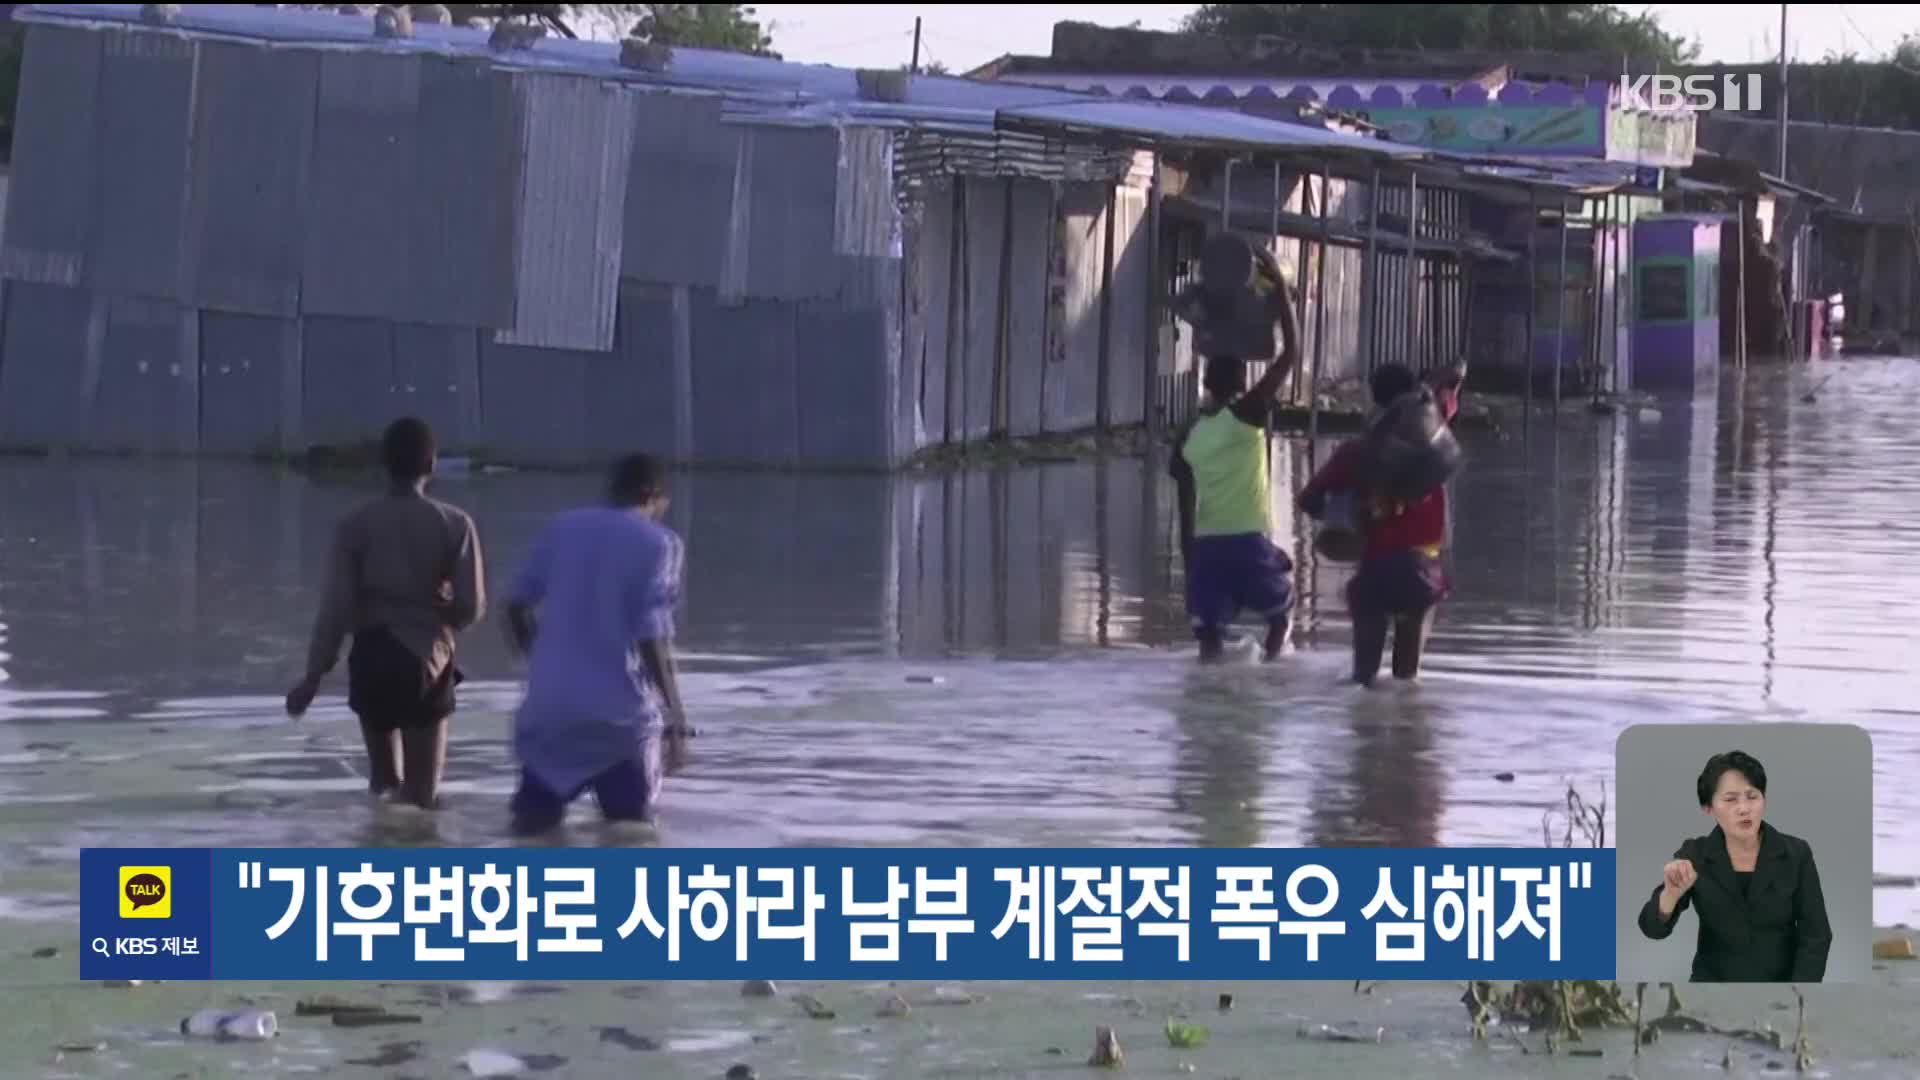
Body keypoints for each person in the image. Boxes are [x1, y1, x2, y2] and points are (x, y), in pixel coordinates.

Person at [286, 417, 486, 810]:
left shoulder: (353, 526)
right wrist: (440, 608)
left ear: (384, 464)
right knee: (422, 802)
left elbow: (335, 610)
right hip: (424, 663)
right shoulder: (455, 524)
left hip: (371, 659)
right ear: (431, 465)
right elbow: (470, 608)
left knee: (383, 788)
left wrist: (312, 677)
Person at [503, 453, 689, 836]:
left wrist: (540, 662)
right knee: (630, 835)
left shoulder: (563, 526)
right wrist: (675, 714)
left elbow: (515, 606)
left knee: (533, 834)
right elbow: (651, 637)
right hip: (618, 719)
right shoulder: (660, 543)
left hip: (549, 710)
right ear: (653, 495)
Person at [1297, 360, 1466, 687]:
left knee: (1363, 681)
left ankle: (1366, 731)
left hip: (1374, 572)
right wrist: (1428, 387)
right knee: (1407, 683)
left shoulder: (1356, 452)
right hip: (1421, 573)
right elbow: (1456, 372)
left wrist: (1346, 514)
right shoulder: (1435, 439)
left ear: (1374, 402)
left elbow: (1308, 500)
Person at [1167, 267, 1302, 664]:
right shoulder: (1244, 418)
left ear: (1207, 382)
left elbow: (1184, 499)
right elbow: (1290, 355)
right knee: (1279, 619)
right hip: (1247, 543)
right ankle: (1272, 674)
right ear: (1243, 384)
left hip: (1206, 547)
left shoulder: (1190, 435)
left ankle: (1209, 697)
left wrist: (1191, 561)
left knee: (1209, 640)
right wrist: (1281, 288)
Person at [1637, 750, 1832, 983]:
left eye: (1752, 796)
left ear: (1764, 800)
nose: (1744, 808)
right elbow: (1652, 928)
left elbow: (1817, 934)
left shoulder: (1796, 853)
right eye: (1730, 800)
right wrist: (1670, 895)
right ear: (1708, 808)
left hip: (1779, 988)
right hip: (1712, 985)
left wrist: (1798, 992)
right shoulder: (1695, 855)